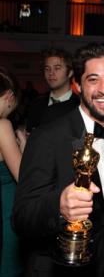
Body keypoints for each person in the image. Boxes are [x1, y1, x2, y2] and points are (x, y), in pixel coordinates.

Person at [12, 42, 104, 277]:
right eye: (93, 79)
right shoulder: (48, 136)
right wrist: (59, 206)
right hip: (57, 269)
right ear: (77, 85)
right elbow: (22, 218)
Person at [0, 67, 26, 276]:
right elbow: (22, 177)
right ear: (9, 96)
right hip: (5, 209)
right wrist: (24, 145)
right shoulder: (3, 125)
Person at [26, 47, 79, 133]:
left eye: (57, 68)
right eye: (47, 69)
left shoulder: (80, 106)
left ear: (70, 73)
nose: (51, 73)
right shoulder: (36, 104)